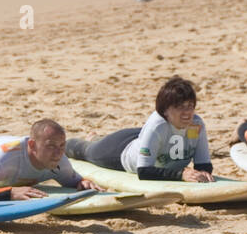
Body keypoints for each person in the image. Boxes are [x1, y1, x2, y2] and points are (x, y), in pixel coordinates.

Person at [66, 76, 214, 182]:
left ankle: (96, 137)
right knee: (86, 150)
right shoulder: (157, 125)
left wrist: (204, 173)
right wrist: (181, 175)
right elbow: (143, 171)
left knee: (150, 135)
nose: (187, 113)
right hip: (120, 152)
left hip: (146, 137)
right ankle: (82, 141)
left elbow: (203, 163)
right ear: (165, 111)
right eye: (180, 107)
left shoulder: (196, 125)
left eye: (190, 106)